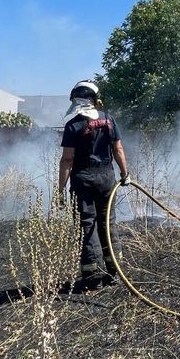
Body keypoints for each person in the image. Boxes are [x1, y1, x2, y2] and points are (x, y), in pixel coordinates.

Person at [58, 80, 129, 289]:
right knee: (108, 223)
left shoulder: (73, 125)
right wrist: (125, 174)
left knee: (87, 225)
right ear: (94, 99)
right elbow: (119, 150)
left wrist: (60, 188)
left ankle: (92, 277)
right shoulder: (109, 120)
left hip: (83, 180)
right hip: (107, 177)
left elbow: (67, 160)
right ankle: (114, 272)